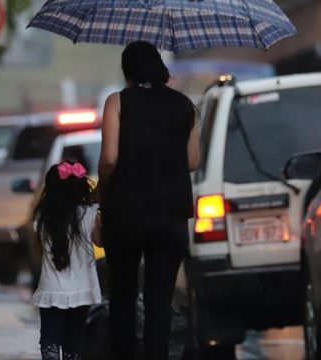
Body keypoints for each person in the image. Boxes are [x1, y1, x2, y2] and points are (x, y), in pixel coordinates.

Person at [97, 41, 201, 360]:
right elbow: (193, 161)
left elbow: (110, 157)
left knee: (123, 296)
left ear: (127, 71)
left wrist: (102, 189)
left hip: (125, 213)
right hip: (170, 215)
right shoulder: (186, 106)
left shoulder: (117, 102)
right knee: (160, 301)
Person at [31, 161, 102, 360]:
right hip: (82, 289)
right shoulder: (88, 214)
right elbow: (100, 241)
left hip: (51, 288)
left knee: (50, 338)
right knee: (74, 340)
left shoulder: (42, 216)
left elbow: (38, 252)